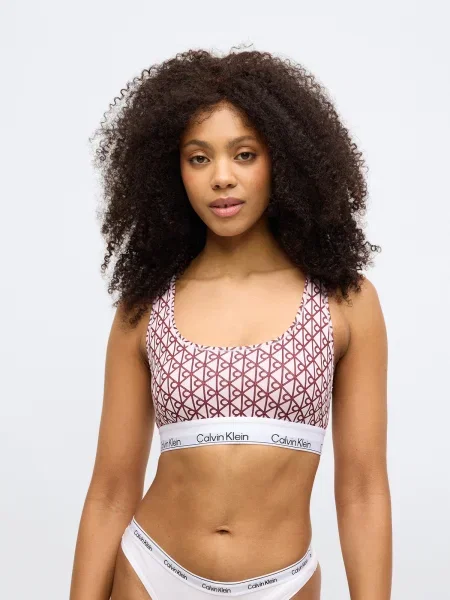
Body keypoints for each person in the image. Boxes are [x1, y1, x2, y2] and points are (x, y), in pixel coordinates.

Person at [70, 47, 392, 600]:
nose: (222, 177)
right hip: (151, 573)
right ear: (171, 171)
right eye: (198, 158)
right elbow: (110, 491)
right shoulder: (145, 307)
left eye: (244, 154)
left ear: (283, 160)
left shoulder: (344, 301)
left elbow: (363, 491)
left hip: (282, 585)